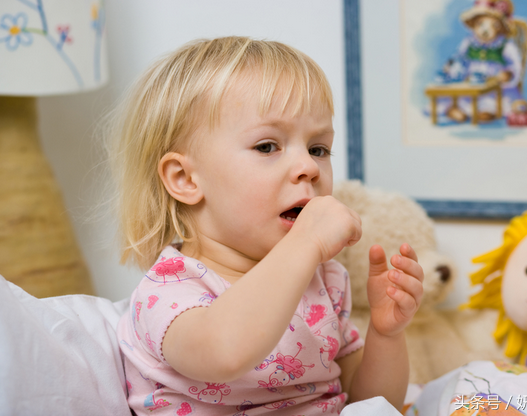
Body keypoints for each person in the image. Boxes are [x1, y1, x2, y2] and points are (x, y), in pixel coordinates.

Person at [111, 36, 424, 415]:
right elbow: (225, 351)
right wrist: (306, 242)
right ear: (185, 179)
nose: (308, 167)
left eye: (318, 149)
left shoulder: (325, 280)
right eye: (267, 147)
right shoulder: (168, 291)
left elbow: (372, 403)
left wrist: (385, 334)